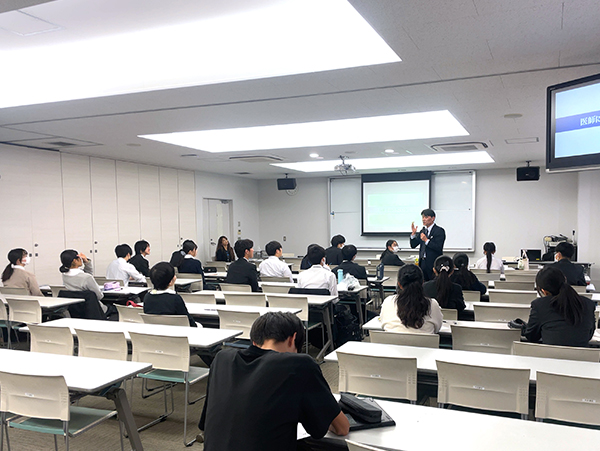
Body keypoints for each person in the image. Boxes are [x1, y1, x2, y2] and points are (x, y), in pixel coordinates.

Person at [198, 312, 349, 450]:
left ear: (254, 341)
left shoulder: (222, 359)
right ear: (293, 339)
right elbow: (341, 428)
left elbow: (208, 423)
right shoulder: (299, 364)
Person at [524, 265, 595, 347]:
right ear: (565, 280)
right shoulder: (588, 304)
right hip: (581, 355)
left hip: (549, 354)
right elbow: (589, 335)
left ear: (544, 291)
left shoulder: (539, 305)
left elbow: (531, 336)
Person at [380, 264, 442, 334]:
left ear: (399, 284)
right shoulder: (432, 304)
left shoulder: (388, 302)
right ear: (422, 283)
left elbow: (383, 324)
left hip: (392, 341)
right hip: (424, 341)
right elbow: (437, 328)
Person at [143, 262, 197, 327]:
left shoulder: (147, 297)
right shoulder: (175, 298)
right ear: (170, 282)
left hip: (154, 331)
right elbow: (188, 320)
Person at [59, 249, 107, 314]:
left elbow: (86, 275)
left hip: (75, 311)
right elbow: (99, 296)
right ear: (75, 260)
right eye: (79, 258)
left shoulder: (65, 275)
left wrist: (86, 262)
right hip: (93, 310)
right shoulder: (86, 277)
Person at [410, 209, 445, 281]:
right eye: (423, 217)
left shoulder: (439, 231)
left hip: (433, 263)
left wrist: (426, 240)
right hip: (422, 263)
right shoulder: (423, 231)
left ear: (433, 218)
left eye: (426, 217)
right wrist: (413, 235)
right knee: (423, 283)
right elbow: (413, 245)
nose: (423, 219)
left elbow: (438, 247)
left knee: (434, 283)